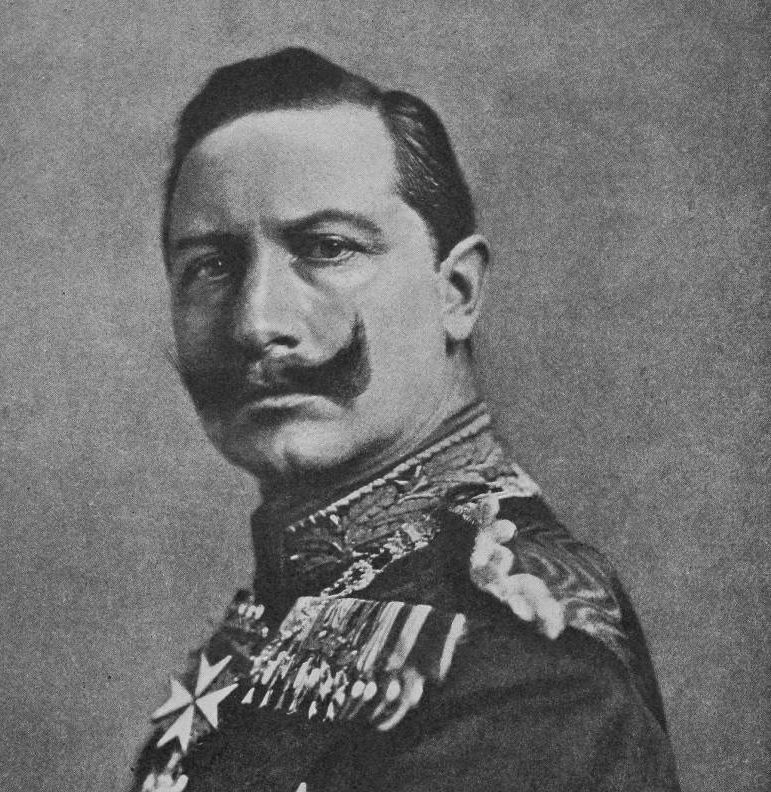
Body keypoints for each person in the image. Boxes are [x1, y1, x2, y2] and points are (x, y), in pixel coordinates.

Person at [131, 48, 680, 791]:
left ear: (456, 292)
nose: (257, 323)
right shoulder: (296, 601)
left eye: (327, 249)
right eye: (210, 265)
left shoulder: (522, 679)